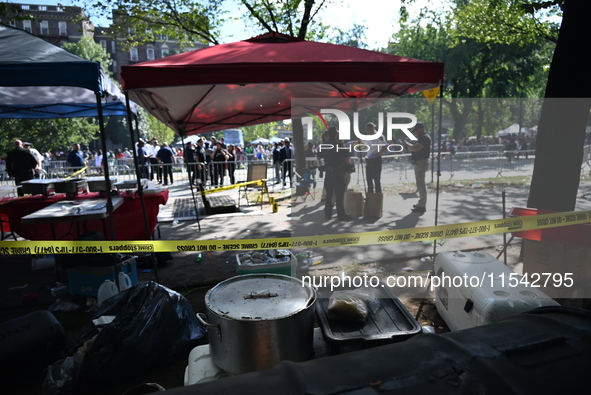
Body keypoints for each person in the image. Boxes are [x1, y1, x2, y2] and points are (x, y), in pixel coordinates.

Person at [319, 127, 352, 221]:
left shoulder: (323, 145)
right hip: (338, 172)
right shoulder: (339, 145)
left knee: (329, 195)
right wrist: (348, 166)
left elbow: (318, 156)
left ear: (328, 134)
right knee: (339, 195)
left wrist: (323, 165)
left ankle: (328, 214)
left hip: (328, 172)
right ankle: (341, 215)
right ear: (336, 134)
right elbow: (347, 159)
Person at [404, 123, 431, 213]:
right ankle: (421, 203)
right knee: (419, 184)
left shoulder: (424, 138)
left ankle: (422, 205)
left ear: (421, 129)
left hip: (421, 162)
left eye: (416, 131)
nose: (415, 133)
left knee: (421, 184)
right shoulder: (422, 137)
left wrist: (407, 144)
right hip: (419, 162)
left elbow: (415, 148)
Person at [362, 122, 387, 194]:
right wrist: (352, 142)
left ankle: (377, 198)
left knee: (376, 180)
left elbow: (384, 147)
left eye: (368, 129)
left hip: (376, 160)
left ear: (372, 128)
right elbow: (363, 142)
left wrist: (377, 155)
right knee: (369, 180)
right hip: (369, 160)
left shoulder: (379, 136)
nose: (367, 131)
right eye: (366, 129)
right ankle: (370, 197)